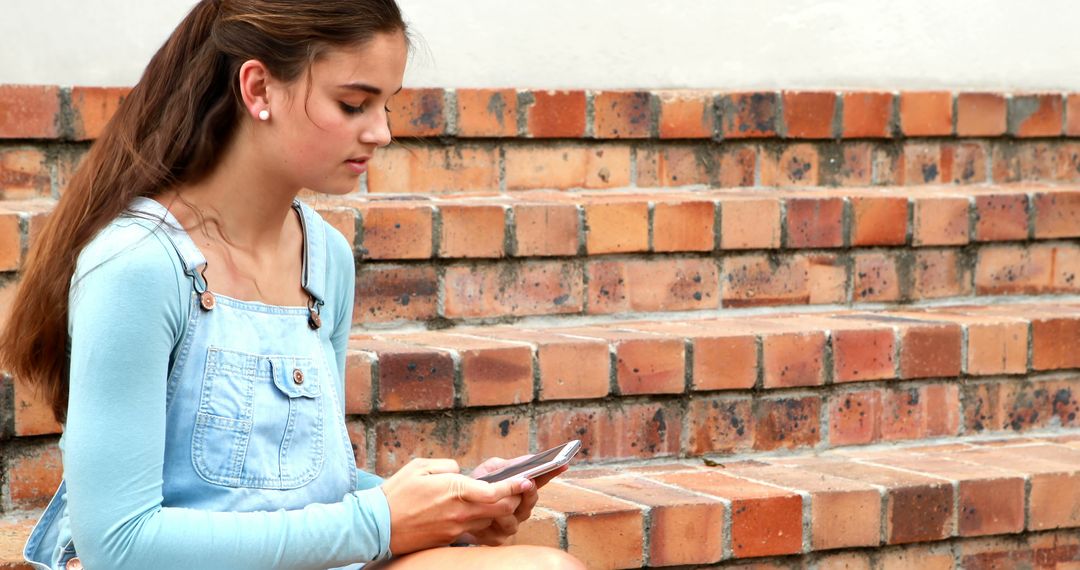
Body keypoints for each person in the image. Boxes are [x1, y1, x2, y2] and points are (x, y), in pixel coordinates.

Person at [0, 1, 585, 568]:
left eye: (387, 105)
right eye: (354, 103)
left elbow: (295, 484)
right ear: (257, 89)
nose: (381, 133)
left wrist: (452, 507)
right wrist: (380, 521)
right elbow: (118, 546)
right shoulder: (137, 266)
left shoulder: (323, 257)